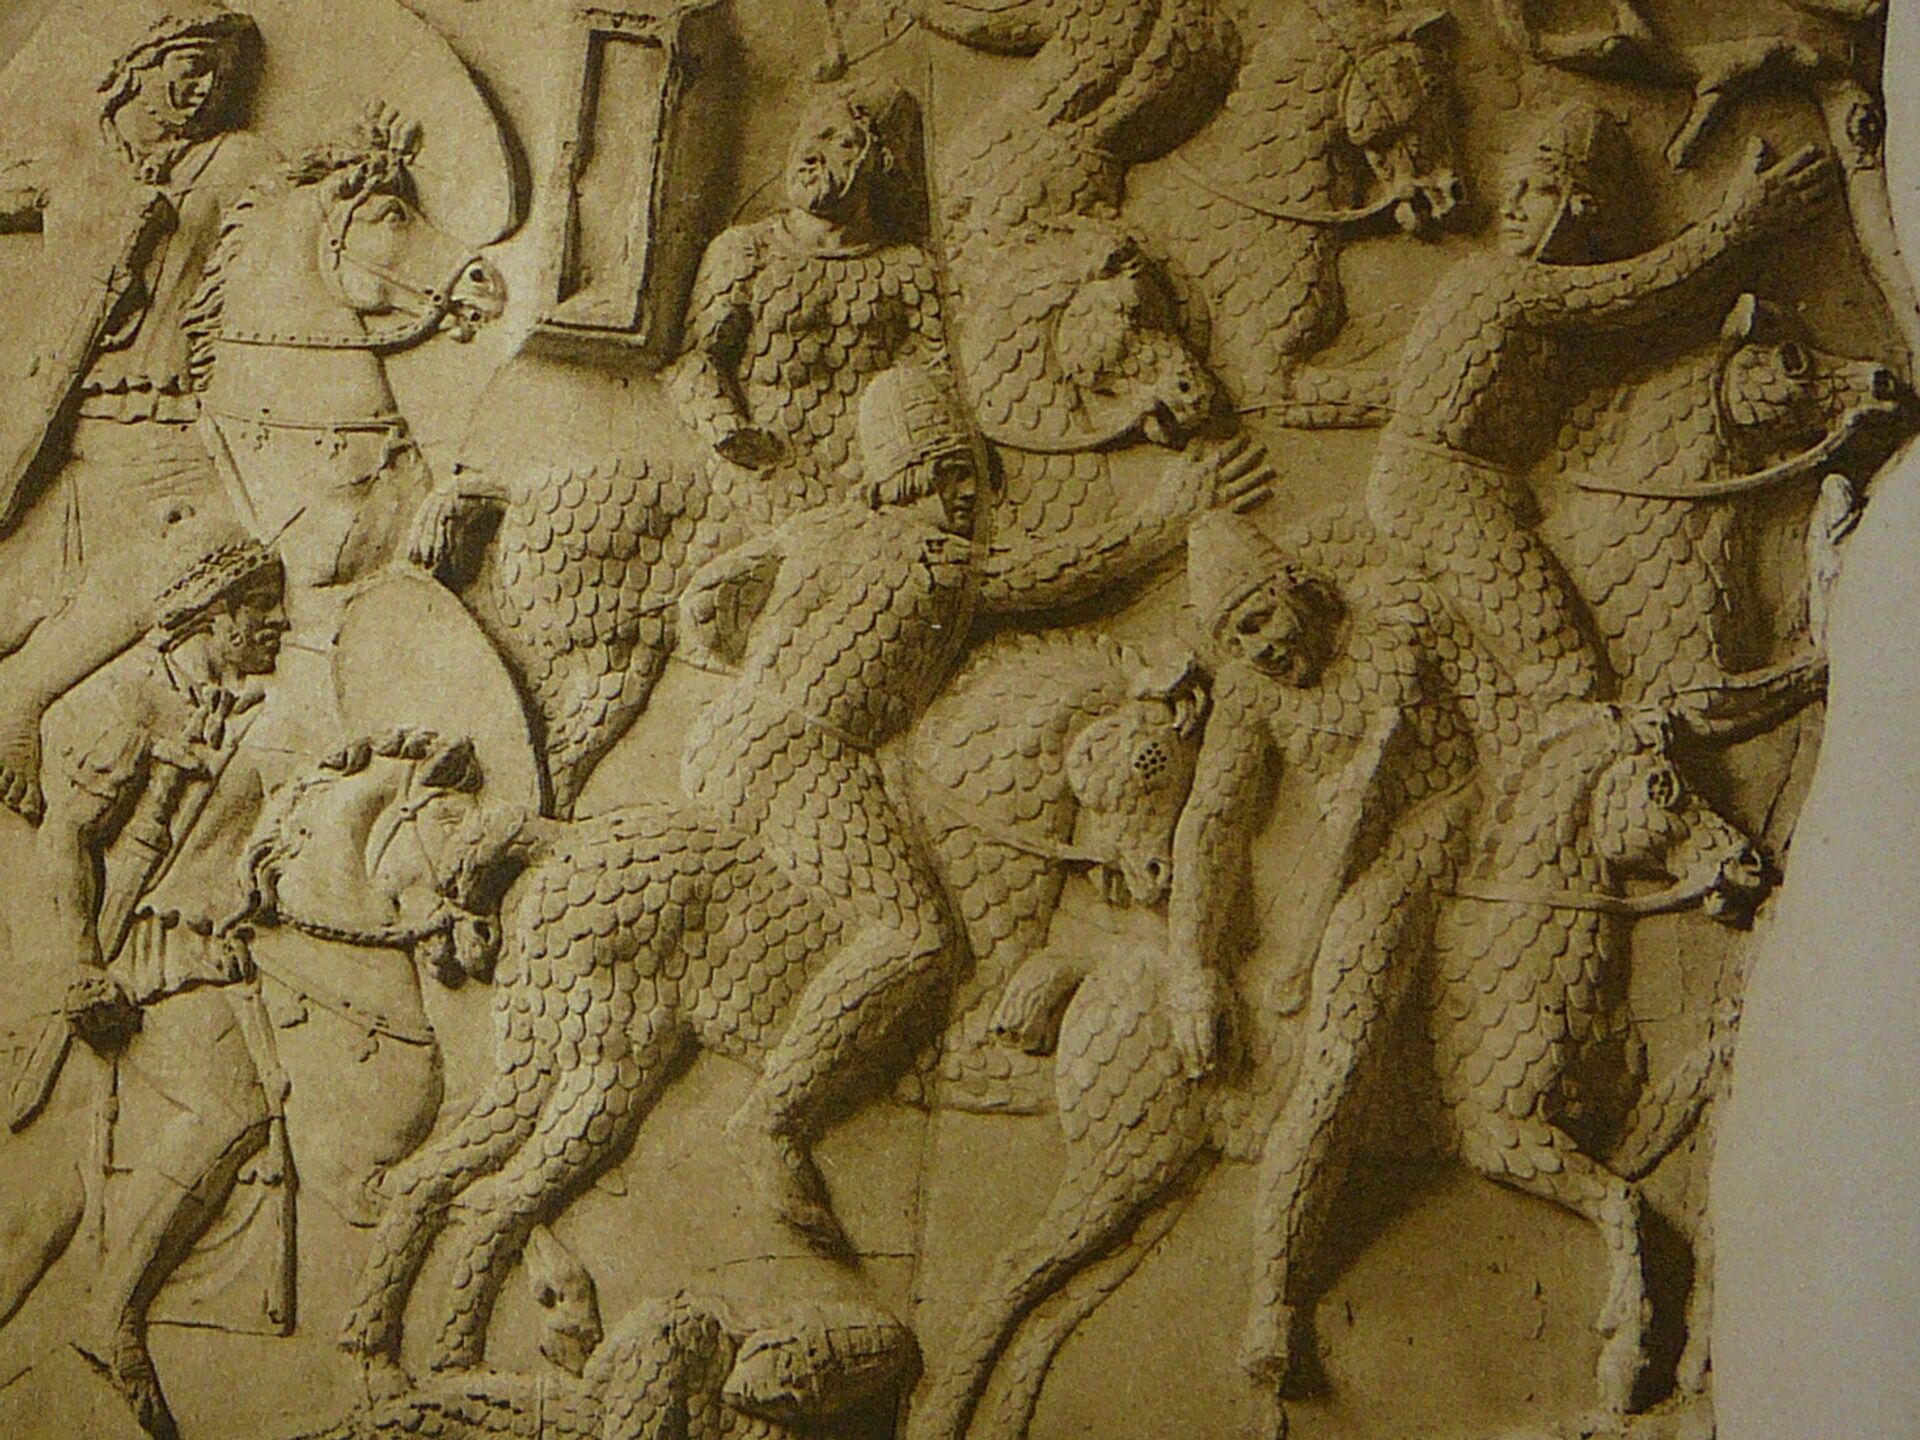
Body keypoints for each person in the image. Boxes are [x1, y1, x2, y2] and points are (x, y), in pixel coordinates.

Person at [1366, 103, 1834, 710]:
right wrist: (1735, 224)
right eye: (1514, 189)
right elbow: (1632, 291)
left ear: (1580, 205)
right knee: (1568, 668)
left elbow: (1644, 320)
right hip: (1441, 497)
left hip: (1467, 490)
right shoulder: (1500, 282)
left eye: (1534, 190)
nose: (1511, 207)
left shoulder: (1549, 323)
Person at [28, 540, 290, 1440]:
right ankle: (112, 1312)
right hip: (146, 953)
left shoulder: (247, 705)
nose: (281, 621)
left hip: (229, 938)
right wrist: (80, 964)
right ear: (214, 615)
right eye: (262, 607)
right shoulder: (135, 700)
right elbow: (67, 835)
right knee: (233, 1109)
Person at [0, 0, 276, 822]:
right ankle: (23, 698)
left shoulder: (237, 162)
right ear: (137, 67)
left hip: (176, 421)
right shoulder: (68, 160)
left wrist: (360, 163)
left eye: (219, 76)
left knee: (215, 550)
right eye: (189, 67)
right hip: (67, 426)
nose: (204, 88)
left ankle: (28, 699)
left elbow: (316, 209)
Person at [668, 80, 948, 491]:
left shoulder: (907, 267)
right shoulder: (745, 251)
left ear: (882, 160)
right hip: (763, 479)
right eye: (810, 137)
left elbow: (935, 375)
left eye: (842, 142)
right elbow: (695, 360)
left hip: (874, 486)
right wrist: (728, 429)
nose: (812, 154)